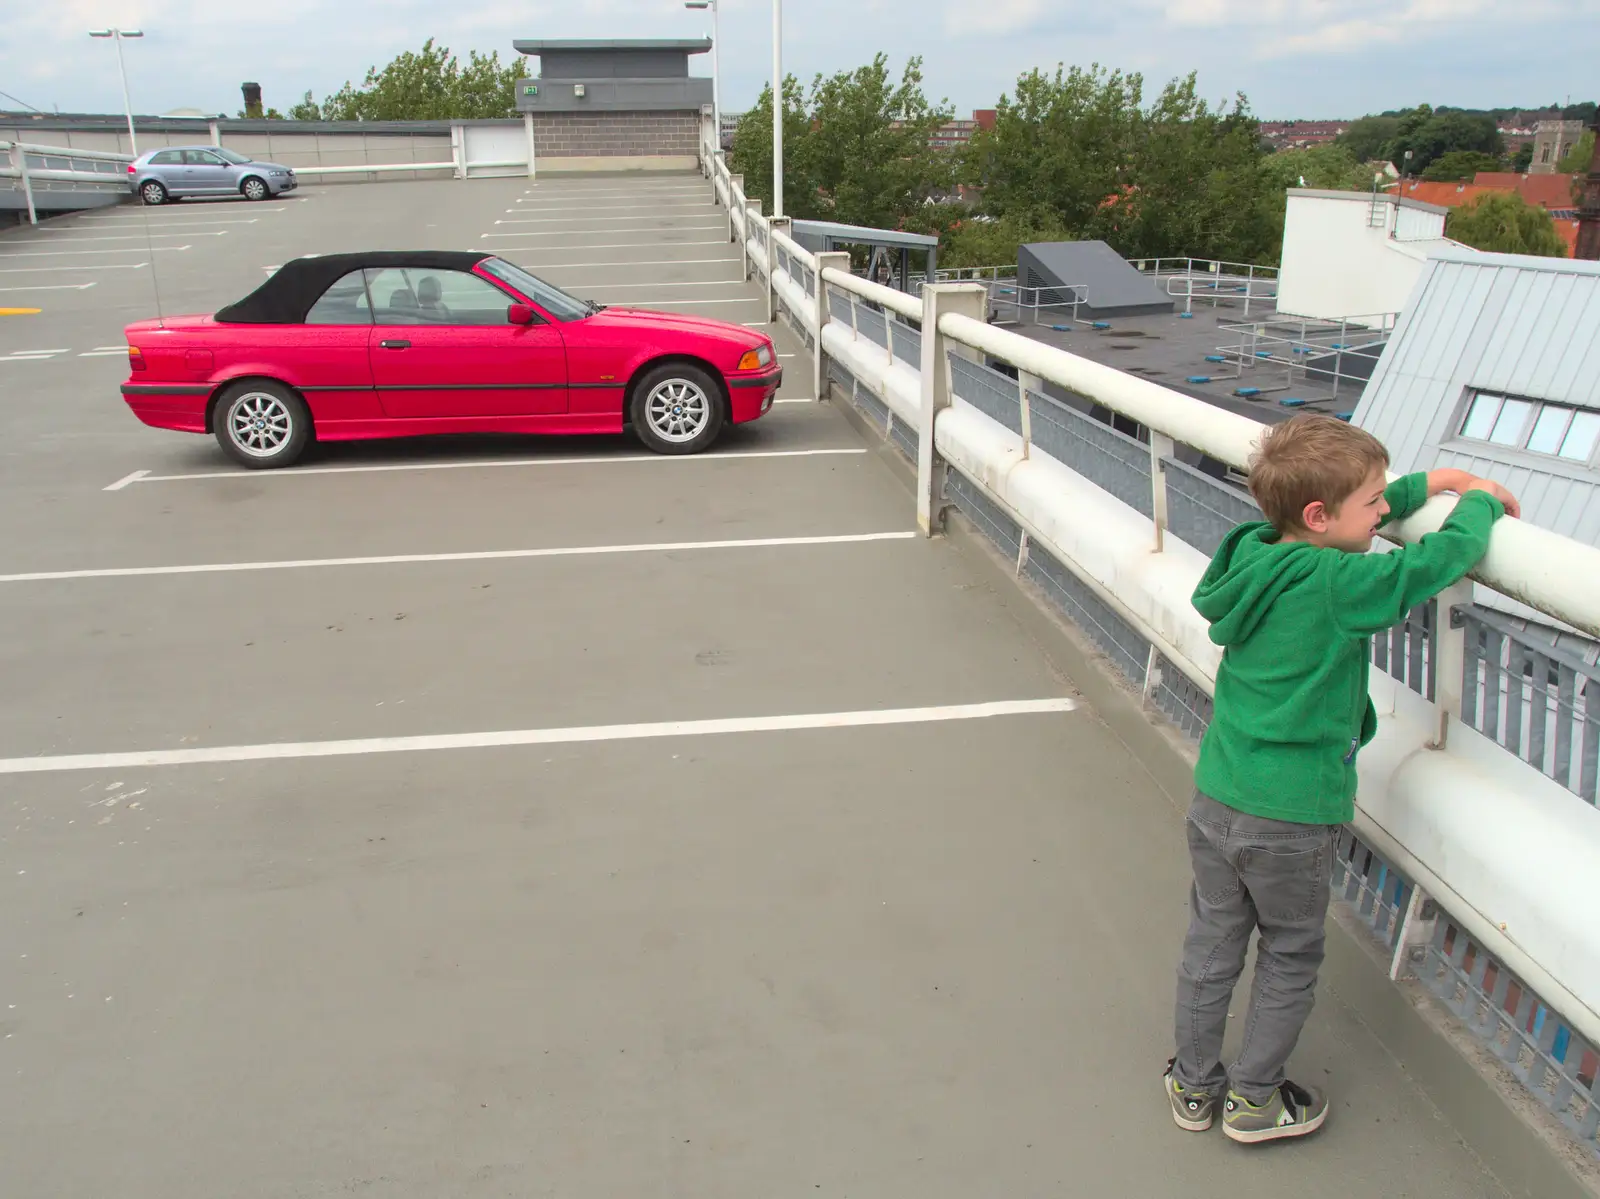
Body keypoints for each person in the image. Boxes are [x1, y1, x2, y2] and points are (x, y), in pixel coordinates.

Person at [1162, 413, 1519, 1144]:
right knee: (1289, 952)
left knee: (1213, 940)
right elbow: (1430, 564)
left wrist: (1431, 481)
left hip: (1219, 795)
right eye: (1377, 501)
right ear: (1322, 516)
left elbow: (1345, 512)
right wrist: (1477, 499)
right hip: (1293, 815)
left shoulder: (1255, 553)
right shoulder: (1338, 580)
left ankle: (1194, 1086)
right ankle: (1256, 1099)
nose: (1386, 510)